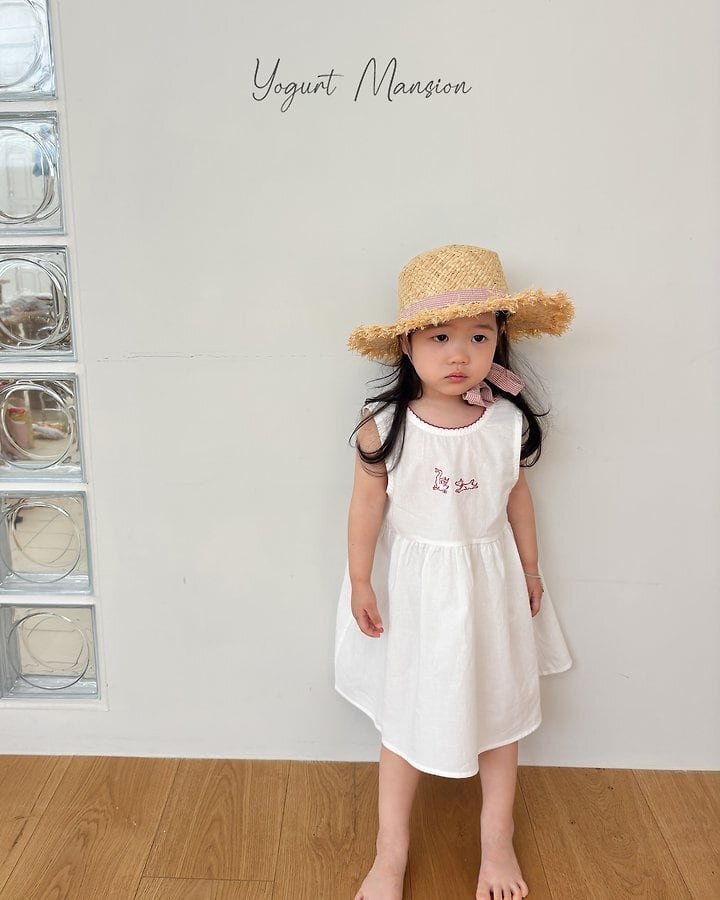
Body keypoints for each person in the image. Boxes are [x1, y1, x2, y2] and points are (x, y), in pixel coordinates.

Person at [334, 245, 575, 900]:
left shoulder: (503, 423)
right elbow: (364, 509)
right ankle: (390, 853)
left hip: (490, 586)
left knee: (500, 706)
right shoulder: (386, 426)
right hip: (414, 593)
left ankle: (496, 841)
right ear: (407, 344)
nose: (460, 354)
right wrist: (361, 579)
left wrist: (531, 570)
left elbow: (516, 498)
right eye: (440, 337)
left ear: (499, 339)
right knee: (404, 714)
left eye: (479, 335)